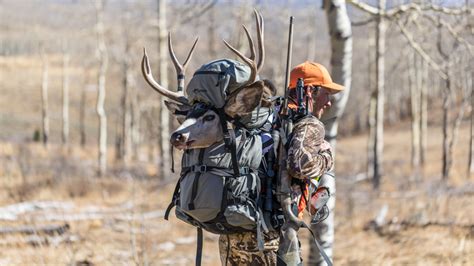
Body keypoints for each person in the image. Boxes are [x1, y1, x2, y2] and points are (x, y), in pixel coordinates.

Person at [287, 61, 344, 266]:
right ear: (310, 91)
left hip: (242, 231)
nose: (328, 102)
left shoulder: (269, 118)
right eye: (326, 94)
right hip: (276, 233)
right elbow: (299, 166)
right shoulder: (310, 124)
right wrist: (327, 157)